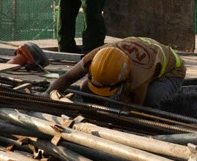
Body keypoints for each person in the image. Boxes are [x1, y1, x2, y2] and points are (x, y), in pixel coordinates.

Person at [48, 36, 187, 108]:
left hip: (172, 72)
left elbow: (135, 111)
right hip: (148, 53)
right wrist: (45, 95)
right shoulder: (96, 56)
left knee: (149, 99)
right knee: (86, 89)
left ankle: (157, 124)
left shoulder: (138, 79)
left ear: (125, 78)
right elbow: (67, 78)